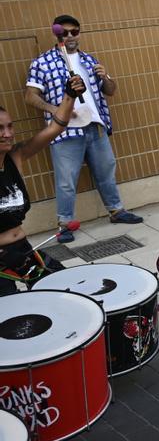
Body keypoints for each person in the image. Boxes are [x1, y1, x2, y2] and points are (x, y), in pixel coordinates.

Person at [25, 14, 143, 241]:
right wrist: (55, 111)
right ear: (57, 34)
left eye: (74, 31)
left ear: (80, 33)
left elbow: (110, 90)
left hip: (95, 125)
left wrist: (105, 77)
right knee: (66, 179)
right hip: (66, 129)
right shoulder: (43, 62)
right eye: (65, 32)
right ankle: (65, 224)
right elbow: (30, 96)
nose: (70, 36)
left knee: (106, 170)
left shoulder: (89, 60)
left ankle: (116, 211)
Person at [0, 74, 83, 293]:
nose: (7, 134)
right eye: (0, 128)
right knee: (11, 311)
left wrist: (70, 95)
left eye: (10, 126)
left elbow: (54, 128)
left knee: (63, 288)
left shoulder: (15, 157)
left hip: (22, 250)